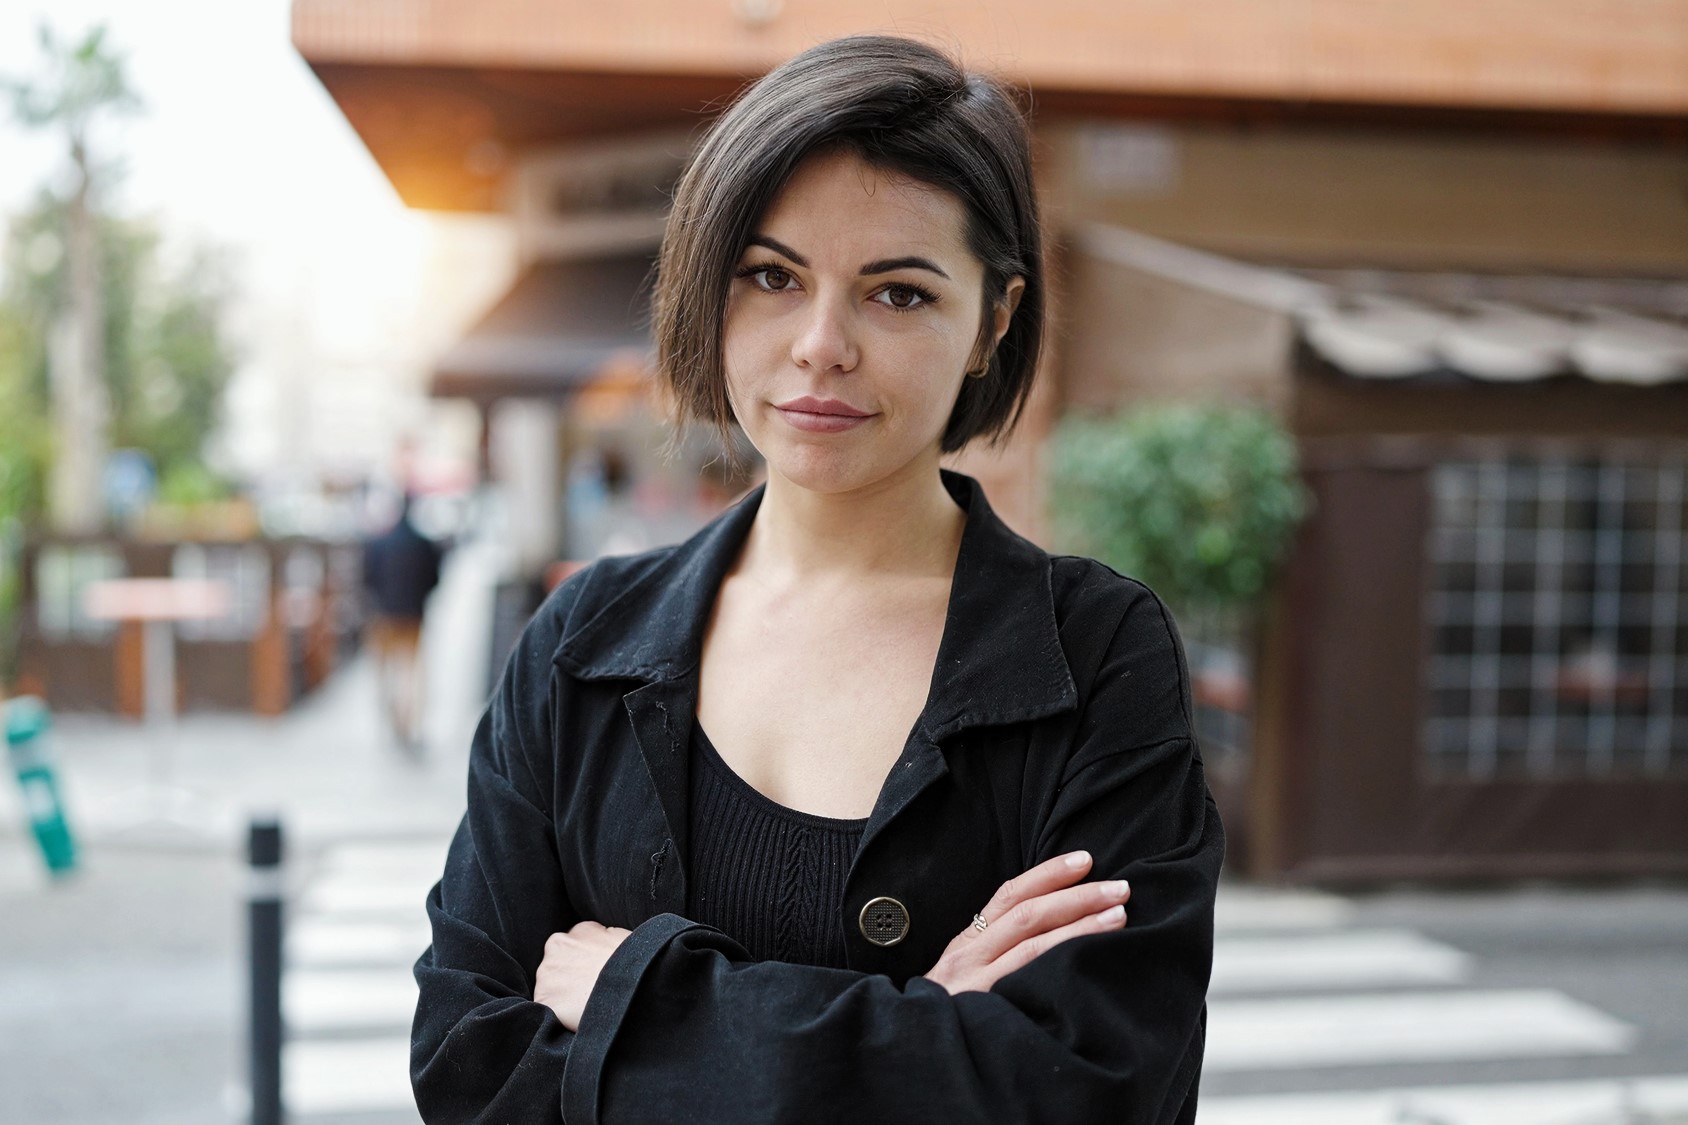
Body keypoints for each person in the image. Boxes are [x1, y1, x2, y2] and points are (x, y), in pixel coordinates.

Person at [411, 35, 1223, 1124]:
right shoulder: (583, 642)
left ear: (992, 320)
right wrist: (919, 1033)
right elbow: (469, 1069)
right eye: (770, 277)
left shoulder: (1091, 653)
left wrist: (639, 1005)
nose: (820, 345)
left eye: (896, 295)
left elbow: (1090, 1089)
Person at [362, 491, 444, 755]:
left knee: (385, 672)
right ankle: (407, 722)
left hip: (385, 615)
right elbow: (434, 578)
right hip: (413, 615)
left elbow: (368, 579)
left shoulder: (379, 542)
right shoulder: (423, 543)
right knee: (410, 671)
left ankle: (392, 718)